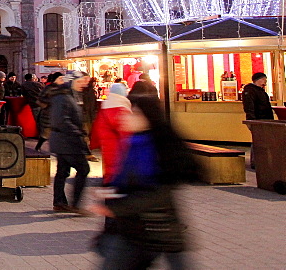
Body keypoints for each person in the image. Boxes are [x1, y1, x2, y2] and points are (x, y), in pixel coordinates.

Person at [91, 93, 200, 269]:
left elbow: (156, 193)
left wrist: (114, 207)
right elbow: (130, 183)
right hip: (133, 228)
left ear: (147, 118)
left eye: (133, 113)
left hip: (158, 229)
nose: (125, 116)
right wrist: (110, 190)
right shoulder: (134, 143)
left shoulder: (156, 149)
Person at [50, 70, 92, 213]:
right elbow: (62, 120)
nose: (82, 85)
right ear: (71, 82)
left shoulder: (68, 95)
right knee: (83, 169)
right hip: (67, 140)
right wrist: (77, 132)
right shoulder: (62, 97)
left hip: (64, 140)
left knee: (62, 171)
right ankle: (75, 204)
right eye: (79, 82)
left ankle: (60, 202)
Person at [90, 82, 131, 185]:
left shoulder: (105, 107)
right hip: (118, 147)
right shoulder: (120, 108)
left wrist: (94, 144)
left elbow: (96, 127)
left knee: (109, 171)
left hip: (107, 147)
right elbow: (125, 131)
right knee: (117, 172)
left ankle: (109, 192)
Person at [242, 72, 274, 169]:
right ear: (258, 79)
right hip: (258, 119)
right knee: (258, 140)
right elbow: (249, 106)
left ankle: (260, 160)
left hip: (264, 119)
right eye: (264, 80)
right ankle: (256, 162)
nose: (265, 82)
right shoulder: (251, 91)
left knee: (261, 140)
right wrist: (251, 120)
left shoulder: (260, 91)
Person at [34, 72, 62, 152]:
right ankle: (38, 146)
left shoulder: (63, 88)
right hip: (48, 114)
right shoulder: (49, 88)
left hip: (58, 113)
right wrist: (49, 104)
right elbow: (40, 99)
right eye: (60, 78)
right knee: (46, 134)